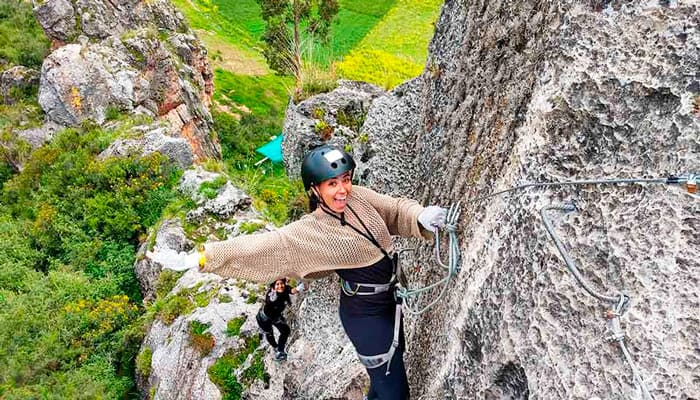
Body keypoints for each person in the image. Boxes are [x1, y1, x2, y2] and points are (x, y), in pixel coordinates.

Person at [150, 144, 446, 400]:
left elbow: (393, 209)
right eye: (332, 184)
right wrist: (200, 259)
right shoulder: (308, 232)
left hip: (389, 303)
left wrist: (420, 214)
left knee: (385, 380)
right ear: (315, 190)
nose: (342, 189)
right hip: (364, 315)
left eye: (345, 180)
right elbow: (256, 246)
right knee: (395, 391)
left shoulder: (360, 200)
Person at [258, 277, 305, 361]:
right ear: (273, 287)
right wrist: (274, 293)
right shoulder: (271, 294)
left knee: (285, 331)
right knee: (269, 333)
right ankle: (276, 348)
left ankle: (280, 351)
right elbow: (270, 300)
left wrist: (299, 288)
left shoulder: (285, 288)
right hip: (264, 318)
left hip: (275, 316)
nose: (280, 286)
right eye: (277, 284)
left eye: (281, 283)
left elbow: (292, 291)